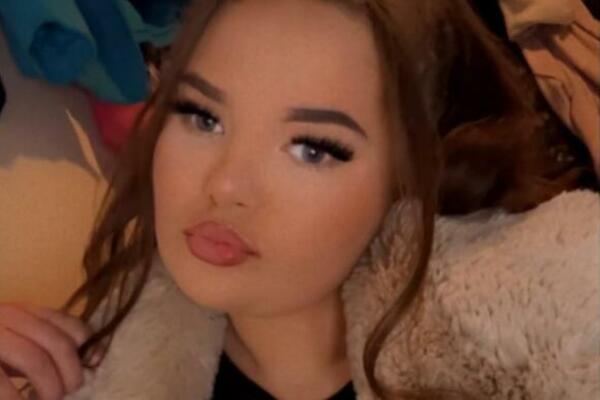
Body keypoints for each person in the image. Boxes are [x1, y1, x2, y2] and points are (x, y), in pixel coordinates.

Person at [1, 1, 598, 399]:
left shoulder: (537, 360)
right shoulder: (95, 372)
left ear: (409, 178)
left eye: (312, 149)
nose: (225, 185)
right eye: (202, 116)